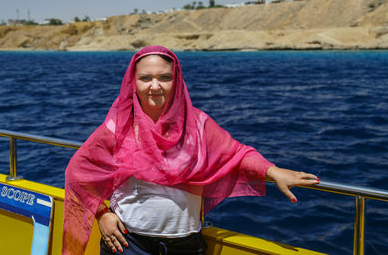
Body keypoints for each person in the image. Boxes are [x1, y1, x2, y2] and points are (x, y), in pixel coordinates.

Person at [62, 45, 319, 255]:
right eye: (145, 78)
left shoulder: (198, 125)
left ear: (177, 80)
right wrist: (102, 214)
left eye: (164, 77)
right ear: (133, 83)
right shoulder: (117, 127)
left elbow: (236, 155)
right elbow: (78, 173)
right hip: (129, 244)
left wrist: (273, 172)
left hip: (186, 246)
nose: (155, 86)